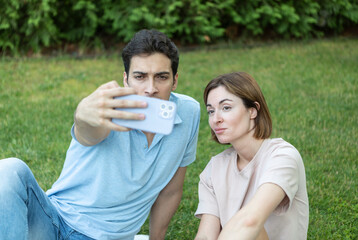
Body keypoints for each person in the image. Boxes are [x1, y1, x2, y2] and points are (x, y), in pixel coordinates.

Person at [0, 29, 200, 240]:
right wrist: (82, 114)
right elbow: (87, 132)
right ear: (126, 79)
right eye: (140, 77)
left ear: (175, 81)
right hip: (53, 220)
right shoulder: (106, 110)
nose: (150, 88)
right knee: (9, 169)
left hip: (103, 236)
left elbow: (170, 191)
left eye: (161, 77)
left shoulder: (189, 114)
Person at [194, 72, 309, 240]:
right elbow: (206, 235)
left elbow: (250, 222)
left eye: (226, 108)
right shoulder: (214, 169)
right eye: (211, 111)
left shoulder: (283, 157)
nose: (215, 119)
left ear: (252, 111)